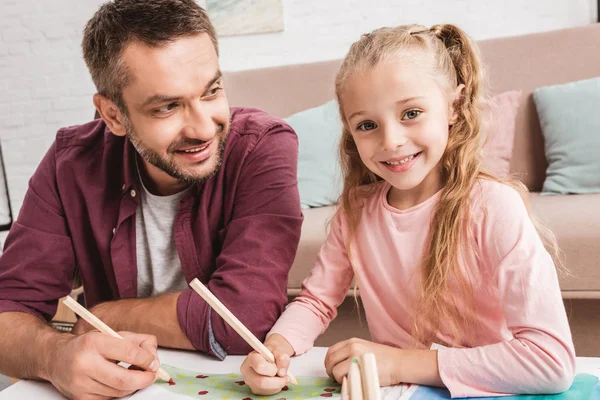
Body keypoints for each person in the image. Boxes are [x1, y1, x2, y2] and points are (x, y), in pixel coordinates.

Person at [240, 24, 575, 398]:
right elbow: (317, 301)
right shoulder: (356, 210)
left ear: (455, 106)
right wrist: (275, 349)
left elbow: (551, 362)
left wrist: (397, 363)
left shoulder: (493, 206)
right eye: (367, 125)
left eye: (411, 113)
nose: (391, 141)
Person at [0, 0, 302, 398]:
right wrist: (53, 355)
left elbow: (244, 318)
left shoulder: (262, 147)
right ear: (113, 115)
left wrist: (108, 314)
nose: (202, 128)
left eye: (211, 91)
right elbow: (9, 307)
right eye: (167, 107)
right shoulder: (69, 162)